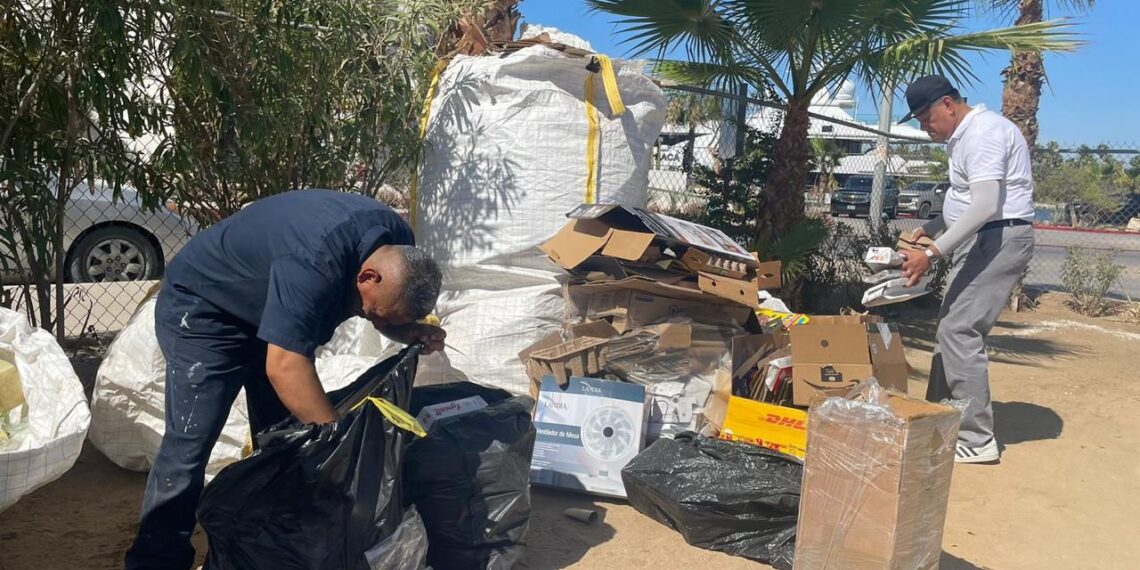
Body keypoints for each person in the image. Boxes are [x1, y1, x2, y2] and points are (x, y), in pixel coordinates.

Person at [125, 189, 445, 569]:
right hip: (204, 309)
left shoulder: (397, 251)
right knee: (191, 443)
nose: (375, 322)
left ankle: (270, 546)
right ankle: (155, 559)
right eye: (374, 313)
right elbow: (285, 366)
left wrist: (408, 332)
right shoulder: (314, 262)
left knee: (285, 438)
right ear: (368, 276)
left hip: (270, 311)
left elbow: (374, 312)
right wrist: (337, 449)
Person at [896, 75, 1035, 465]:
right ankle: (942, 416)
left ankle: (976, 438)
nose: (925, 128)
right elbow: (966, 196)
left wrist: (932, 251)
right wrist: (935, 225)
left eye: (926, 119)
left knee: (959, 330)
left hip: (999, 239)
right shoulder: (964, 136)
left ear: (948, 104)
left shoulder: (984, 133)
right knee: (950, 326)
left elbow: (986, 204)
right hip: (986, 238)